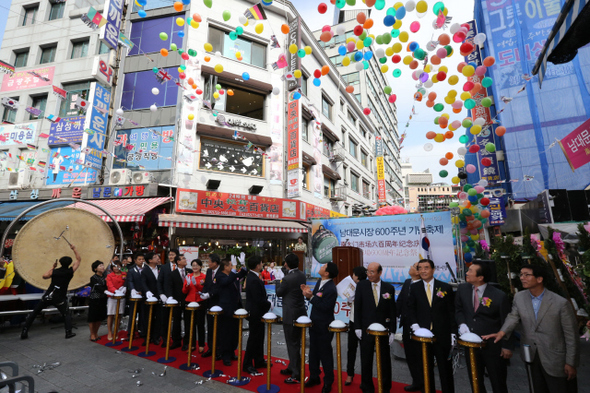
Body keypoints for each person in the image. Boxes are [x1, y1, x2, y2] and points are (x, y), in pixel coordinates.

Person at [482, 265, 579, 393]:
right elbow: (513, 316)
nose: (522, 278)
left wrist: (571, 363)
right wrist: (501, 332)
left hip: (555, 357)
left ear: (539, 279)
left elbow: (571, 335)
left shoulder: (560, 303)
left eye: (527, 275)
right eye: (521, 274)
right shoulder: (520, 297)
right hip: (531, 354)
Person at [455, 261, 513, 393]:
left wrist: (507, 346)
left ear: (480, 277)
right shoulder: (462, 289)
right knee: (475, 381)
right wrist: (462, 324)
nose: (467, 273)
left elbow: (507, 321)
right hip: (471, 345)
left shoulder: (499, 295)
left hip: (493, 345)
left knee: (498, 381)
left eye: (470, 271)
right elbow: (458, 310)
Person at [408, 259, 456, 393]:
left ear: (433, 270)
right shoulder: (415, 287)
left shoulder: (444, 287)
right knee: (425, 369)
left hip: (442, 335)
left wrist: (453, 332)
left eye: (426, 268)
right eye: (420, 268)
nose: (423, 271)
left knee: (445, 370)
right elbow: (411, 308)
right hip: (423, 336)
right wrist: (415, 325)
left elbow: (451, 311)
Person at [21, 243, 81, 340]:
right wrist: (74, 249)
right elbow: (78, 260)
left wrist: (53, 267)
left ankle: (24, 331)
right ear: (69, 263)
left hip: (48, 295)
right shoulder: (70, 272)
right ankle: (68, 332)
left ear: (60, 263)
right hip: (60, 298)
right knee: (66, 314)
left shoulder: (54, 271)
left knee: (34, 313)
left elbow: (44, 276)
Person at [354, 262, 396, 393]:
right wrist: (358, 327)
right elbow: (358, 308)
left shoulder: (388, 288)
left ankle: (385, 387)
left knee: (384, 360)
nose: (369, 274)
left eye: (372, 272)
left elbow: (392, 310)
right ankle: (366, 386)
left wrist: (392, 330)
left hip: (383, 330)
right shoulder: (362, 286)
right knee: (366, 359)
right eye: (368, 271)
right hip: (366, 329)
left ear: (380, 273)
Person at [302, 262, 339, 393]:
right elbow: (316, 300)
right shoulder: (320, 282)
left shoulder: (331, 288)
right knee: (313, 352)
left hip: (324, 325)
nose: (321, 267)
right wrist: (308, 294)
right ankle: (314, 376)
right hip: (315, 322)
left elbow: (325, 307)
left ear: (327, 273)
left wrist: (310, 297)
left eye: (323, 266)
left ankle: (328, 381)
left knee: (325, 353)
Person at [276, 252, 307, 384]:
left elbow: (279, 293)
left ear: (286, 264)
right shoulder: (301, 275)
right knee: (295, 343)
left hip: (290, 313)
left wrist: (278, 281)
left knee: (292, 343)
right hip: (300, 311)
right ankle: (292, 366)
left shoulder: (287, 279)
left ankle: (296, 373)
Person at [242, 255, 272, 374]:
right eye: (260, 263)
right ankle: (247, 364)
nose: (261, 265)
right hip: (255, 312)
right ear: (257, 265)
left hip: (258, 311)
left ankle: (259, 360)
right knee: (254, 338)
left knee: (259, 337)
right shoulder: (253, 279)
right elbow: (257, 299)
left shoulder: (253, 277)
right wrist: (268, 304)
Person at [216, 258, 248, 366]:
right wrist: (234, 271)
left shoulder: (232, 275)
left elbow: (242, 273)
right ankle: (225, 355)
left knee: (234, 332)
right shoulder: (220, 276)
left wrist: (243, 264)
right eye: (230, 265)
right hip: (226, 308)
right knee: (226, 333)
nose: (232, 267)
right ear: (225, 267)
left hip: (235, 307)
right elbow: (227, 281)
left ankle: (231, 351)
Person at [396, 262, 422, 392]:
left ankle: (425, 383)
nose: (410, 267)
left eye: (413, 266)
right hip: (406, 324)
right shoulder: (407, 282)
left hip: (420, 327)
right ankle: (416, 381)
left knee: (421, 356)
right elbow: (400, 301)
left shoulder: (424, 285)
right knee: (410, 355)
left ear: (418, 272)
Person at [345, 266, 367, 386]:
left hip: (363, 323)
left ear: (357, 276)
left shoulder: (366, 286)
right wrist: (350, 298)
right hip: (353, 321)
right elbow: (349, 302)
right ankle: (349, 374)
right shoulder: (352, 286)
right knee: (351, 349)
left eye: (353, 274)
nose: (352, 276)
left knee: (364, 351)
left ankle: (364, 378)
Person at [167, 254, 192, 350]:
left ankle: (187, 342)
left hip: (188, 300)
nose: (185, 260)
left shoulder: (189, 271)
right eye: (183, 259)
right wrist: (170, 297)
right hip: (177, 301)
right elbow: (170, 287)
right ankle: (176, 341)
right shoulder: (172, 273)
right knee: (176, 321)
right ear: (178, 262)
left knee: (188, 321)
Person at [183, 259, 207, 352]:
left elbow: (203, 289)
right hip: (189, 302)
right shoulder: (188, 276)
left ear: (200, 267)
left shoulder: (203, 277)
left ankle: (201, 344)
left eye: (197, 265)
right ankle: (192, 344)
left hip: (200, 302)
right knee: (190, 325)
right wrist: (188, 285)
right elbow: (184, 291)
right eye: (193, 265)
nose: (195, 267)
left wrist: (196, 284)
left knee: (200, 324)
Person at [200, 253, 221, 358]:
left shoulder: (221, 272)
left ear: (215, 263)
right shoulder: (209, 271)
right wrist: (204, 293)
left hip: (218, 303)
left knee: (218, 328)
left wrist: (210, 294)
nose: (208, 264)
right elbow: (207, 284)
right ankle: (210, 348)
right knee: (210, 326)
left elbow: (219, 287)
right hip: (209, 303)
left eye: (209, 262)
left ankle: (218, 350)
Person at [157, 249, 178, 348]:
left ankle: (176, 339)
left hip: (177, 298)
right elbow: (159, 282)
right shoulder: (164, 267)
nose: (171, 257)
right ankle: (165, 339)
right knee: (164, 319)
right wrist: (161, 294)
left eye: (173, 255)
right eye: (169, 255)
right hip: (165, 297)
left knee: (177, 320)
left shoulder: (181, 267)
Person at [140, 252, 162, 346]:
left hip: (159, 297)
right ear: (150, 260)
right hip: (149, 297)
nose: (157, 258)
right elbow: (143, 283)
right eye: (155, 257)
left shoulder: (161, 268)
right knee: (148, 317)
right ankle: (147, 337)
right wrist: (147, 291)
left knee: (158, 317)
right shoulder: (145, 270)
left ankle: (156, 336)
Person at [106, 260, 126, 341]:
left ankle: (116, 331)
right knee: (111, 314)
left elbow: (126, 283)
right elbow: (109, 285)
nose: (116, 268)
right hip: (112, 296)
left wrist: (124, 288)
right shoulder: (109, 276)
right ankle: (110, 332)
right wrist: (115, 291)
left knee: (119, 315)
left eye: (118, 266)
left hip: (122, 296)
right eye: (114, 266)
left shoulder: (124, 274)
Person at [87, 260, 107, 342]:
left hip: (103, 299)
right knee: (93, 317)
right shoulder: (93, 278)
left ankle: (96, 332)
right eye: (100, 266)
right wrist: (106, 290)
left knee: (100, 317)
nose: (102, 267)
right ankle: (92, 334)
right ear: (95, 269)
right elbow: (100, 288)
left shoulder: (105, 277)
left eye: (102, 265)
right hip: (94, 299)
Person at [127, 252, 146, 338]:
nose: (141, 261)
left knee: (143, 314)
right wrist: (133, 290)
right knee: (133, 315)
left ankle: (142, 331)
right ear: (135, 261)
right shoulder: (131, 270)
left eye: (142, 259)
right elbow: (130, 281)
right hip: (134, 295)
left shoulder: (146, 269)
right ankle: (131, 333)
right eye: (139, 259)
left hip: (144, 295)